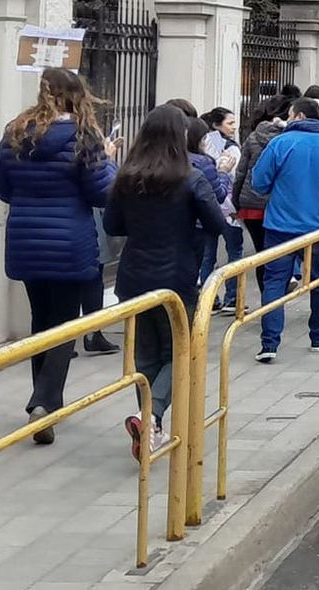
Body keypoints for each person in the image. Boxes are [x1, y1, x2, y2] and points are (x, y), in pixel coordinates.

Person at [0, 67, 119, 442]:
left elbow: (2, 188)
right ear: (78, 95)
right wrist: (110, 159)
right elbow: (101, 193)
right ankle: (44, 402)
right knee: (65, 325)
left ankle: (44, 402)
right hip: (69, 240)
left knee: (40, 320)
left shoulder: (15, 132)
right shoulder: (86, 136)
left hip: (25, 237)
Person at [104, 105, 227, 459]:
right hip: (177, 276)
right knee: (181, 351)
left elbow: (113, 226)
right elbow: (216, 222)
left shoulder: (127, 176)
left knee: (146, 353)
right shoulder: (190, 177)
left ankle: (148, 423)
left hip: (133, 276)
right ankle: (152, 415)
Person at [248, 98, 319, 362]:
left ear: (297, 116)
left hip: (280, 226)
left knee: (275, 282)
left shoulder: (280, 143)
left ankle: (269, 344)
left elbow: (258, 183)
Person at [230, 95, 291, 311]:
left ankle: (267, 299)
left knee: (261, 253)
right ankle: (276, 298)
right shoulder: (289, 138)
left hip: (252, 203)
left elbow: (241, 171)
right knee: (281, 253)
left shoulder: (254, 137)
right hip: (279, 204)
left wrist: (236, 201)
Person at [186, 117, 231, 308]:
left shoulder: (142, 163)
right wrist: (223, 172)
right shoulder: (202, 163)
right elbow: (218, 195)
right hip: (196, 226)